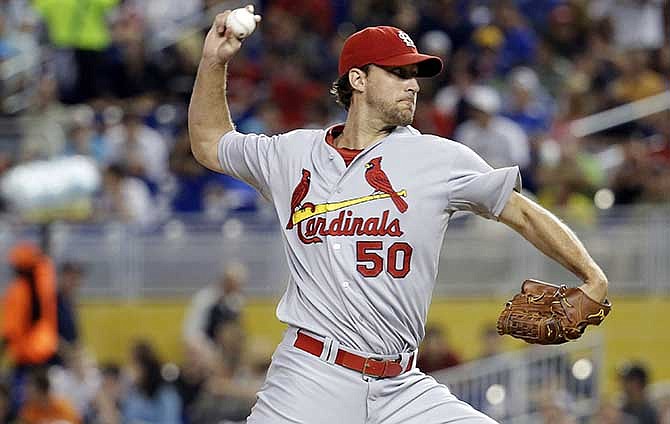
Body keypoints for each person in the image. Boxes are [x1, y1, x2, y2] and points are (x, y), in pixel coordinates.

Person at [188, 8, 609, 423]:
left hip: (401, 385)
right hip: (309, 377)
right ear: (358, 79)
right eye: (398, 73)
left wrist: (592, 276)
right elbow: (210, 142)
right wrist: (214, 60)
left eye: (415, 76)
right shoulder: (291, 154)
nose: (413, 86)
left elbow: (524, 214)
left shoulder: (439, 158)